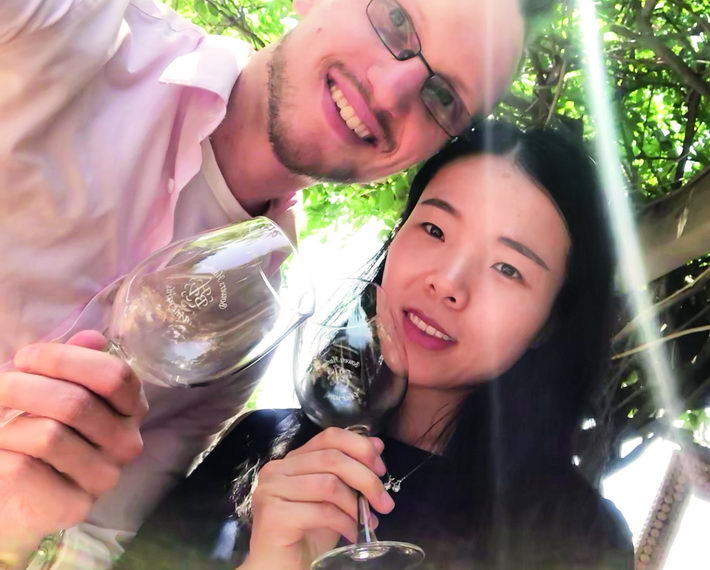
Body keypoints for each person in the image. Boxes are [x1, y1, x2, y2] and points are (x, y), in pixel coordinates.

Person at [0, 0, 537, 567]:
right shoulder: (61, 24)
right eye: (397, 19)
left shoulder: (254, 322)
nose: (389, 90)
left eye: (443, 98)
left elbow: (96, 543)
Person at [116, 121, 635, 570]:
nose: (447, 282)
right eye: (434, 229)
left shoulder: (578, 534)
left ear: (549, 323)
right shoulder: (261, 444)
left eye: (507, 268)